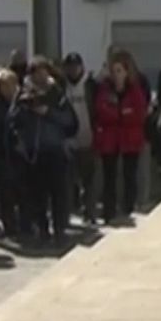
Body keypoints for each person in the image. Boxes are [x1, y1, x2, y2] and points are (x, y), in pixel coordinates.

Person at [8, 72, 77, 243]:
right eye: (35, 73)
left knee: (58, 193)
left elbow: (69, 120)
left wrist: (48, 112)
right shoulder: (22, 94)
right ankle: (42, 229)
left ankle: (59, 229)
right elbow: (12, 120)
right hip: (33, 153)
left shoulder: (57, 94)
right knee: (37, 194)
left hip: (55, 150)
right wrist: (26, 107)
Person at [93, 58, 148, 223]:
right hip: (110, 140)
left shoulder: (134, 90)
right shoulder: (105, 90)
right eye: (113, 71)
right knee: (109, 176)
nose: (116, 75)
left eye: (119, 71)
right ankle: (109, 210)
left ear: (126, 72)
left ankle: (128, 208)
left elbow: (139, 114)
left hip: (130, 139)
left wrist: (121, 114)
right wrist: (121, 113)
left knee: (129, 175)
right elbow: (101, 111)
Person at [60, 53, 98, 224]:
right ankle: (66, 215)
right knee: (67, 181)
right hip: (68, 140)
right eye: (70, 67)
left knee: (88, 180)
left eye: (76, 66)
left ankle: (89, 212)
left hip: (88, 137)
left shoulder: (91, 85)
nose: (73, 70)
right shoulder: (61, 87)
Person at [0, 70, 23, 237]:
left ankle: (25, 223)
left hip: (20, 154)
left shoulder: (21, 103)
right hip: (1, 153)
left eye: (12, 84)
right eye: (5, 85)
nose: (9, 89)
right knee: (6, 190)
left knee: (22, 189)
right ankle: (9, 224)